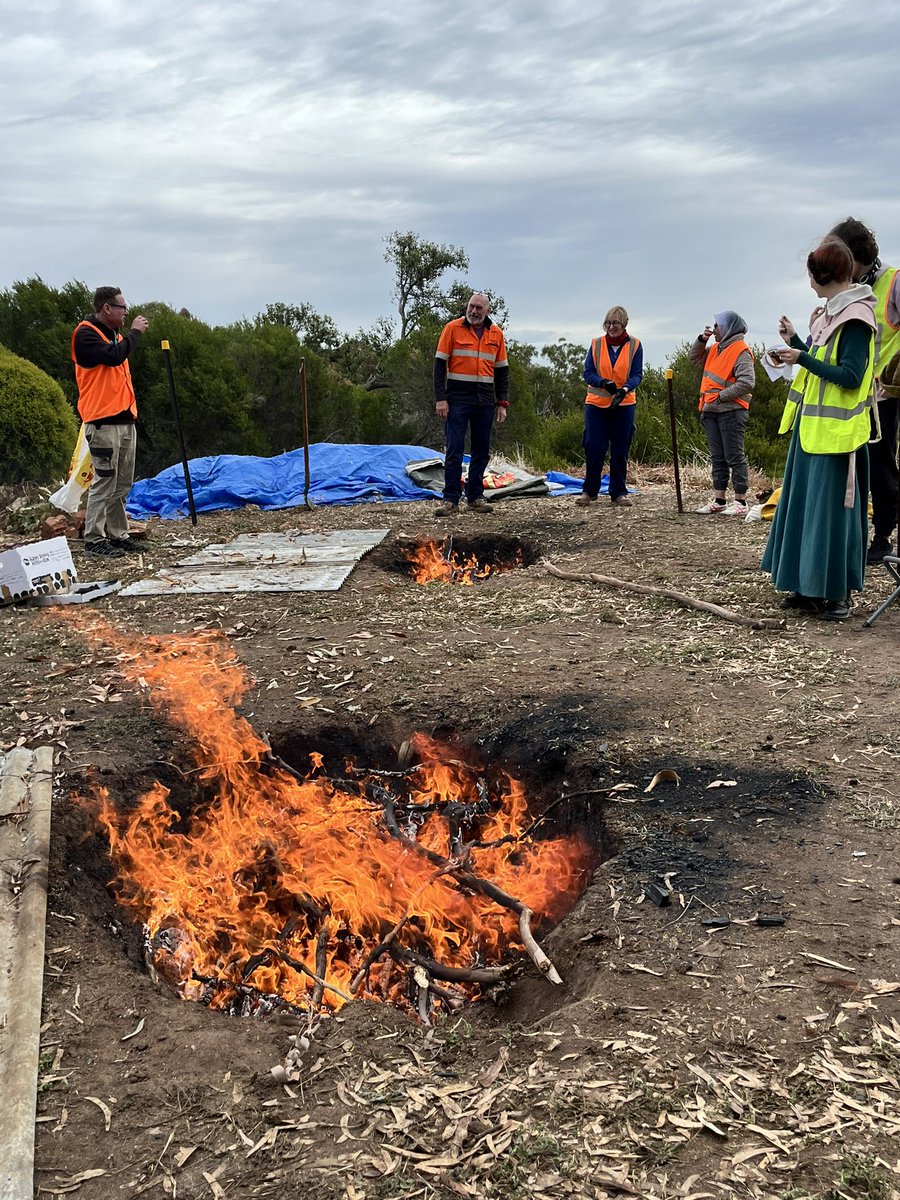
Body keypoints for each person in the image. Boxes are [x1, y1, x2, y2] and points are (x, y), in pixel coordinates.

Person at [761, 237, 876, 621]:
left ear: (823, 275)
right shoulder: (826, 313)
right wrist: (794, 342)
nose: (808, 282)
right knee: (805, 510)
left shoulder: (856, 318)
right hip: (811, 430)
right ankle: (807, 589)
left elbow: (850, 375)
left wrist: (801, 358)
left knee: (831, 516)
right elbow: (816, 357)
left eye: (810, 274)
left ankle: (837, 595)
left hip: (839, 437)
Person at [829, 217, 900, 564]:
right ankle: (857, 534)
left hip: (885, 394)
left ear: (857, 256)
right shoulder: (849, 289)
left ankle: (883, 535)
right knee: (857, 465)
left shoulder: (894, 282)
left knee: (881, 464)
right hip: (853, 394)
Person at [72, 287, 148, 557]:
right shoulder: (86, 334)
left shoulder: (113, 334)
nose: (126, 312)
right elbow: (114, 357)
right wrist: (136, 333)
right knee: (105, 480)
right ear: (107, 308)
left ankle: (118, 534)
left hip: (124, 418)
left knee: (122, 483)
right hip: (102, 421)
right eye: (122, 307)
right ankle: (94, 539)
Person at [433, 292, 509, 517]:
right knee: (454, 448)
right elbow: (439, 366)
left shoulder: (496, 334)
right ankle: (450, 499)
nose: (474, 311)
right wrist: (440, 398)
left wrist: (502, 402)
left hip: (484, 399)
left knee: (481, 450)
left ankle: (475, 496)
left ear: (487, 311)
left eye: (479, 308)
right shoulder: (452, 328)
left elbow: (502, 371)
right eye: (471, 306)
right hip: (457, 398)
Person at [575, 305, 643, 508]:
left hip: (624, 404)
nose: (611, 327)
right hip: (596, 404)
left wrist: (624, 389)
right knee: (594, 446)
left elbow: (637, 375)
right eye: (608, 323)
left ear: (624, 325)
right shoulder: (596, 344)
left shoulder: (635, 345)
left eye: (616, 323)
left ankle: (618, 493)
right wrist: (603, 382)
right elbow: (587, 373)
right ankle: (589, 491)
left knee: (620, 448)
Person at [691, 311, 754, 516]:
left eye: (718, 325)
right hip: (710, 411)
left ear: (728, 327)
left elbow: (747, 382)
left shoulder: (741, 350)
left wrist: (720, 397)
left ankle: (741, 502)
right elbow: (694, 358)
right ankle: (719, 500)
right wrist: (702, 340)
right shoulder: (716, 347)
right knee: (717, 457)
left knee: (734, 456)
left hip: (731, 411)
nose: (714, 328)